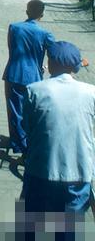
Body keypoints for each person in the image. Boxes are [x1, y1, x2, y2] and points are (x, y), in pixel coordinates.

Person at [21, 41, 93, 235]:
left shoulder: (34, 90)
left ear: (51, 63)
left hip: (41, 171)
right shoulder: (92, 93)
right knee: (67, 230)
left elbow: (26, 127)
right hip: (79, 172)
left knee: (31, 226)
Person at [2, 0, 55, 154]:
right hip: (34, 77)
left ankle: (18, 145)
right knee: (33, 111)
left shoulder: (14, 28)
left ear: (27, 12)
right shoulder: (45, 34)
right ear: (42, 14)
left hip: (14, 73)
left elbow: (11, 48)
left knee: (15, 111)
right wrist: (44, 66)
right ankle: (31, 142)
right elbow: (54, 54)